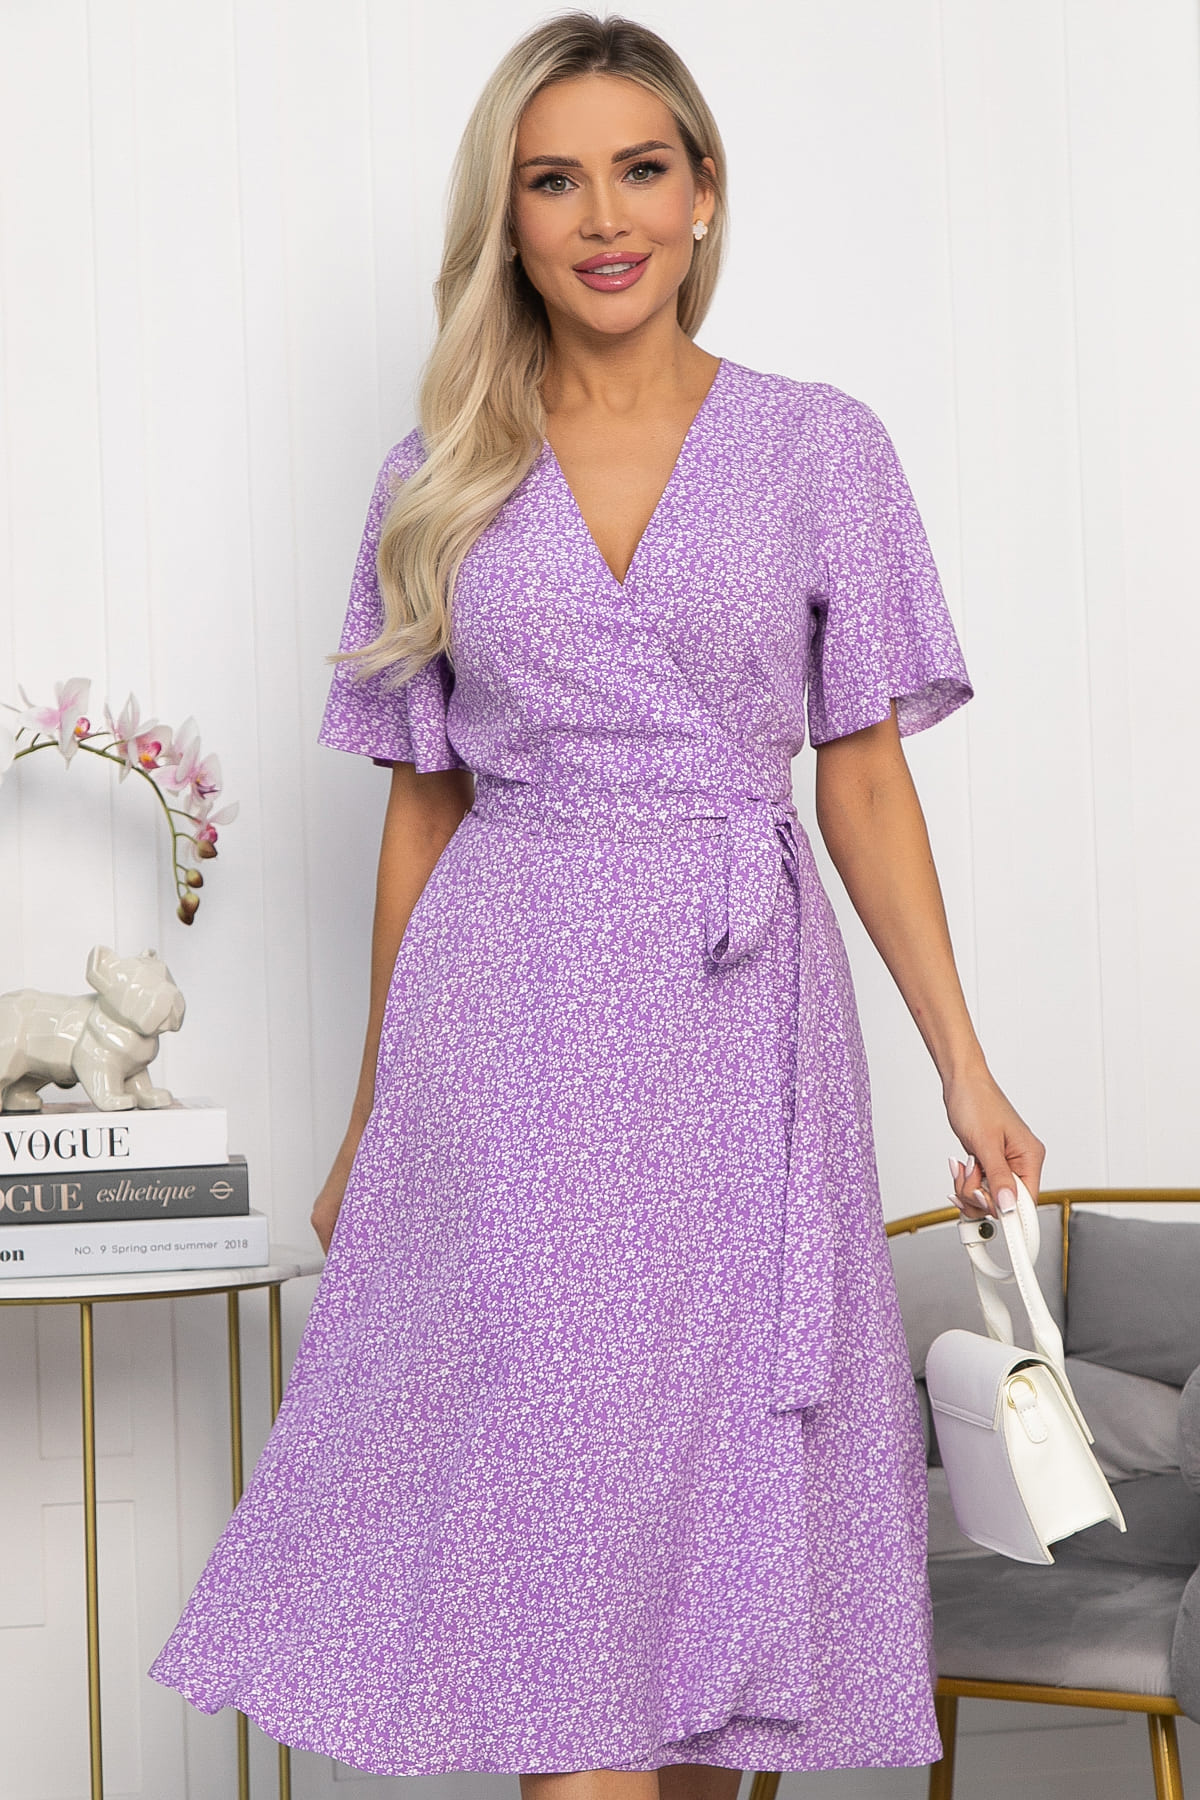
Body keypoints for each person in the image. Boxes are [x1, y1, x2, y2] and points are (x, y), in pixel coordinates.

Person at [150, 12, 1043, 1793]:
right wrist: (377, 1111)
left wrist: (966, 1064)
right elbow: (422, 814)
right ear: (509, 220)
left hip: (741, 1049)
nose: (604, 216)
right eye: (554, 181)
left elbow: (863, 780)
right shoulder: (437, 475)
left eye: (641, 170)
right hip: (514, 1043)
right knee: (556, 1536)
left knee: (716, 1533)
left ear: (705, 192)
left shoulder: (817, 447)